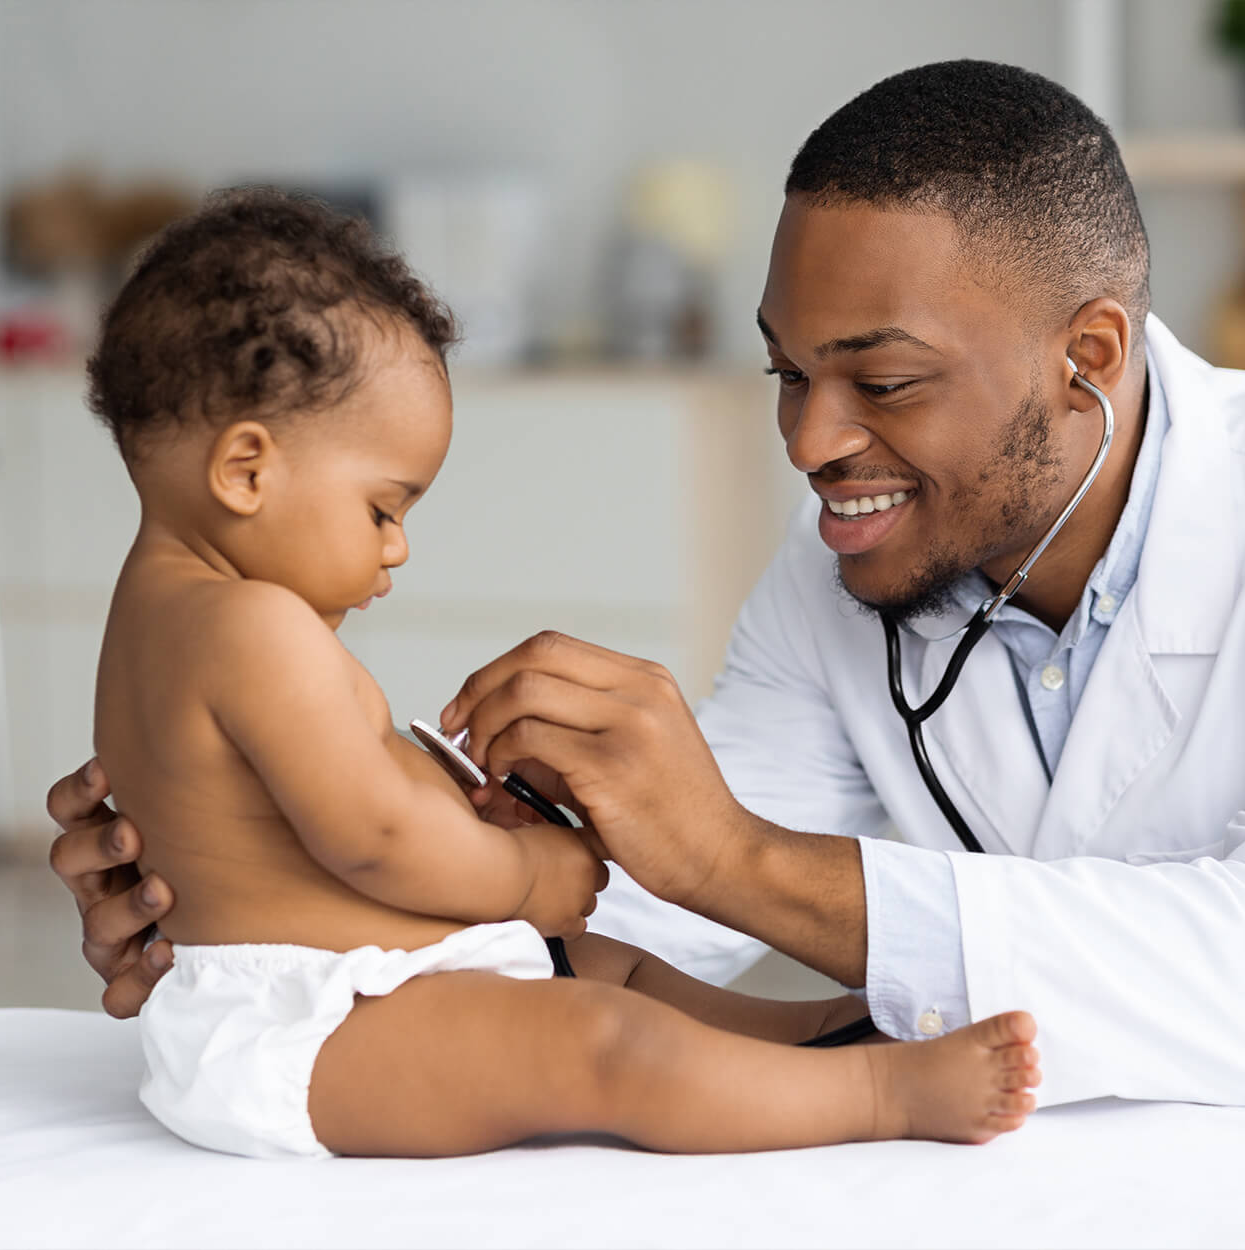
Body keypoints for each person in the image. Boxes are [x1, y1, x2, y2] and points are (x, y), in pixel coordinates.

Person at [51, 61, 1245, 1110]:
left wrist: (732, 855)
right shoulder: (841, 586)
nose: (811, 443)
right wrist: (257, 895)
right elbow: (617, 933)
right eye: (788, 374)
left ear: (1092, 357)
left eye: (882, 379)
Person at [56, 187, 1041, 1160]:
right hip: (312, 1027)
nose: (397, 549)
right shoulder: (254, 625)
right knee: (598, 1043)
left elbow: (306, 808)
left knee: (606, 965)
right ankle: (878, 1091)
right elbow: (374, 835)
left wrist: (461, 805)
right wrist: (525, 875)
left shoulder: (161, 616)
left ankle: (819, 1031)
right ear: (246, 471)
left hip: (344, 983)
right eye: (382, 508)